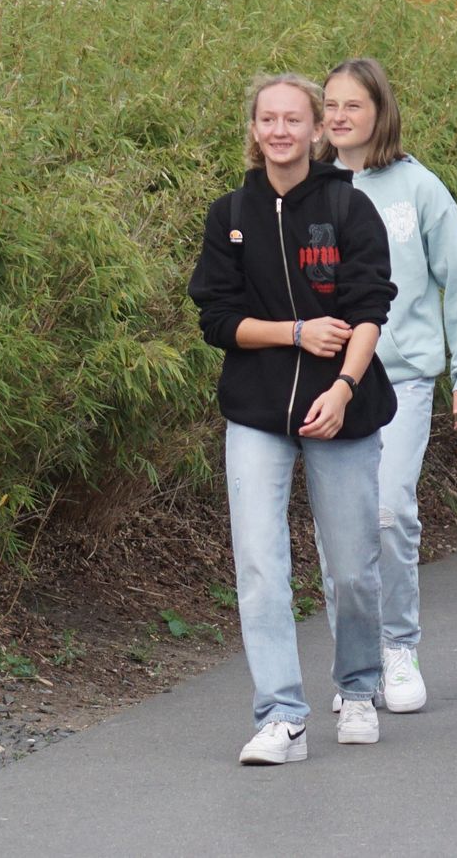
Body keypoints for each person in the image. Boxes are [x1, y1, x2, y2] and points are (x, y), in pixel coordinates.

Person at [188, 74, 399, 765]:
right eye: (268, 119)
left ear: (315, 130)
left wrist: (342, 389)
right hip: (257, 410)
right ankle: (281, 715)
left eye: (293, 119)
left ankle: (359, 688)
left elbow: (369, 310)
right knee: (259, 564)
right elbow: (217, 319)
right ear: (254, 129)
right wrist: (295, 332)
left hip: (342, 408)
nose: (280, 130)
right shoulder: (229, 214)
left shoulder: (348, 206)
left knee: (354, 569)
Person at [317, 57, 457, 714]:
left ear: (380, 111)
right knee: (339, 528)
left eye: (353, 105)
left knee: (388, 511)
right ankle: (353, 665)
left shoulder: (418, 187)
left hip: (402, 376)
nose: (339, 116)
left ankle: (397, 646)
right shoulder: (308, 188)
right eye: (330, 104)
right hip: (325, 378)